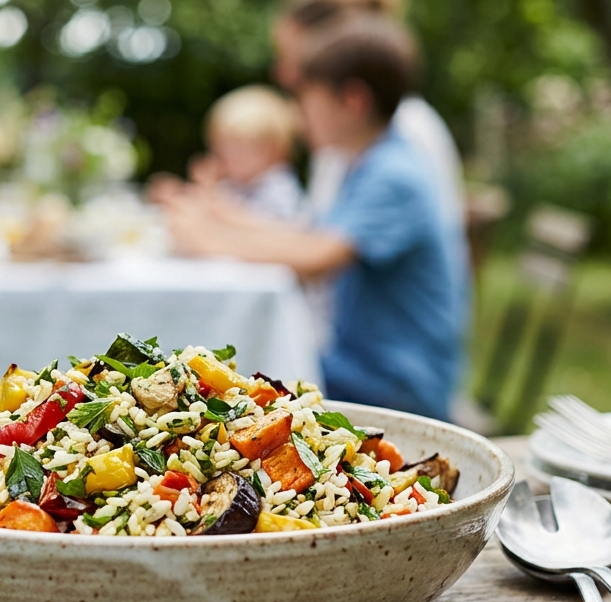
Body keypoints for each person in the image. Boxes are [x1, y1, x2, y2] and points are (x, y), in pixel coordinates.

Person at [163, 16, 468, 420]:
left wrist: (206, 241)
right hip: (365, 366)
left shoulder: (394, 173)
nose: (296, 113)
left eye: (305, 97)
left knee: (223, 380)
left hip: (392, 383)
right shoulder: (370, 161)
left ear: (351, 101)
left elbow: (316, 258)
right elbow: (308, 235)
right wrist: (223, 217)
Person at [272, 0, 463, 229]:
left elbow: (327, 246)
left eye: (289, 55)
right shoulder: (356, 137)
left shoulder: (398, 138)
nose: (281, 73)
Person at [153, 85, 304, 221]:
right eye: (218, 149)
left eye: (232, 153)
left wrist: (210, 195)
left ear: (268, 151)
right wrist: (180, 194)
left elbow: (270, 229)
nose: (219, 159)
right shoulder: (239, 183)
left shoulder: (279, 187)